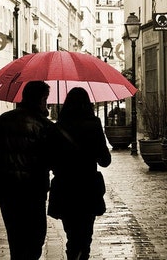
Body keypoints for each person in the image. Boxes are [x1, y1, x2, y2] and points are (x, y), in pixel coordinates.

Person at [0, 81, 55, 260]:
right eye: (45, 99)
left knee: (16, 239)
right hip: (33, 190)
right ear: (40, 99)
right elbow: (52, 158)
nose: (47, 103)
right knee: (35, 238)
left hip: (8, 190)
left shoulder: (4, 120)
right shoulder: (44, 126)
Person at [48, 87, 112, 260]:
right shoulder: (94, 124)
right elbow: (104, 160)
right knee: (85, 236)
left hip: (65, 188)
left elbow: (50, 160)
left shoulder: (57, 128)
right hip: (87, 187)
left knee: (72, 235)